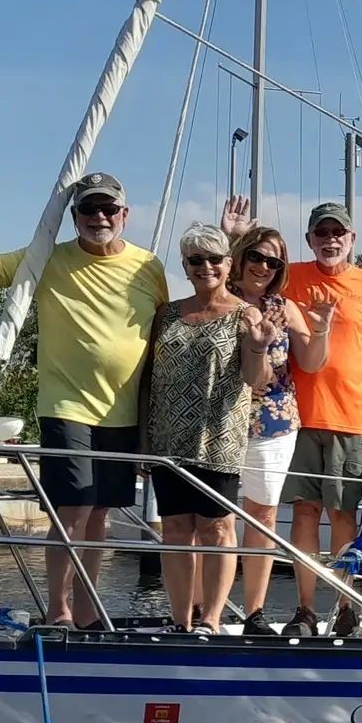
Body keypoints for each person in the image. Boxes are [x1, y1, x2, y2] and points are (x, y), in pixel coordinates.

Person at [0, 168, 167, 628]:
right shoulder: (47, 257)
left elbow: (162, 332)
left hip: (124, 411)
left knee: (99, 516)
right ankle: (59, 610)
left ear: (124, 215)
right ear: (74, 216)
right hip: (66, 405)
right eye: (88, 208)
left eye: (108, 208)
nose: (99, 216)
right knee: (72, 509)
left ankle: (90, 609)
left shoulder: (149, 266)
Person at [224, 196, 362, 636]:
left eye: (338, 232)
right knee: (306, 514)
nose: (330, 239)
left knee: (345, 516)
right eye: (322, 232)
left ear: (351, 239)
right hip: (297, 419)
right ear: (310, 239)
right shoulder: (290, 280)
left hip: (351, 418)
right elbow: (245, 282)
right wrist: (237, 239)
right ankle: (306, 609)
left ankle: (348, 607)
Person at [144, 223, 273, 631]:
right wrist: (142, 439)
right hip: (168, 439)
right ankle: (181, 620)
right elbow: (148, 376)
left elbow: (257, 379)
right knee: (176, 530)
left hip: (218, 440)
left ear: (228, 263)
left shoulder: (244, 313)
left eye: (214, 259)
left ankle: (212, 619)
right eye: (195, 260)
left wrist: (258, 345)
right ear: (184, 266)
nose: (206, 267)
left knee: (217, 528)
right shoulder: (166, 314)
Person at [225, 224, 331, 634]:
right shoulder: (219, 299)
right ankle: (204, 611)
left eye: (274, 261)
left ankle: (253, 614)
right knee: (212, 517)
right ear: (241, 256)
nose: (264, 267)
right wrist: (229, 235)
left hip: (272, 422)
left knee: (262, 517)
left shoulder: (284, 308)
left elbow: (311, 361)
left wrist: (320, 329)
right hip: (219, 421)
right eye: (257, 257)